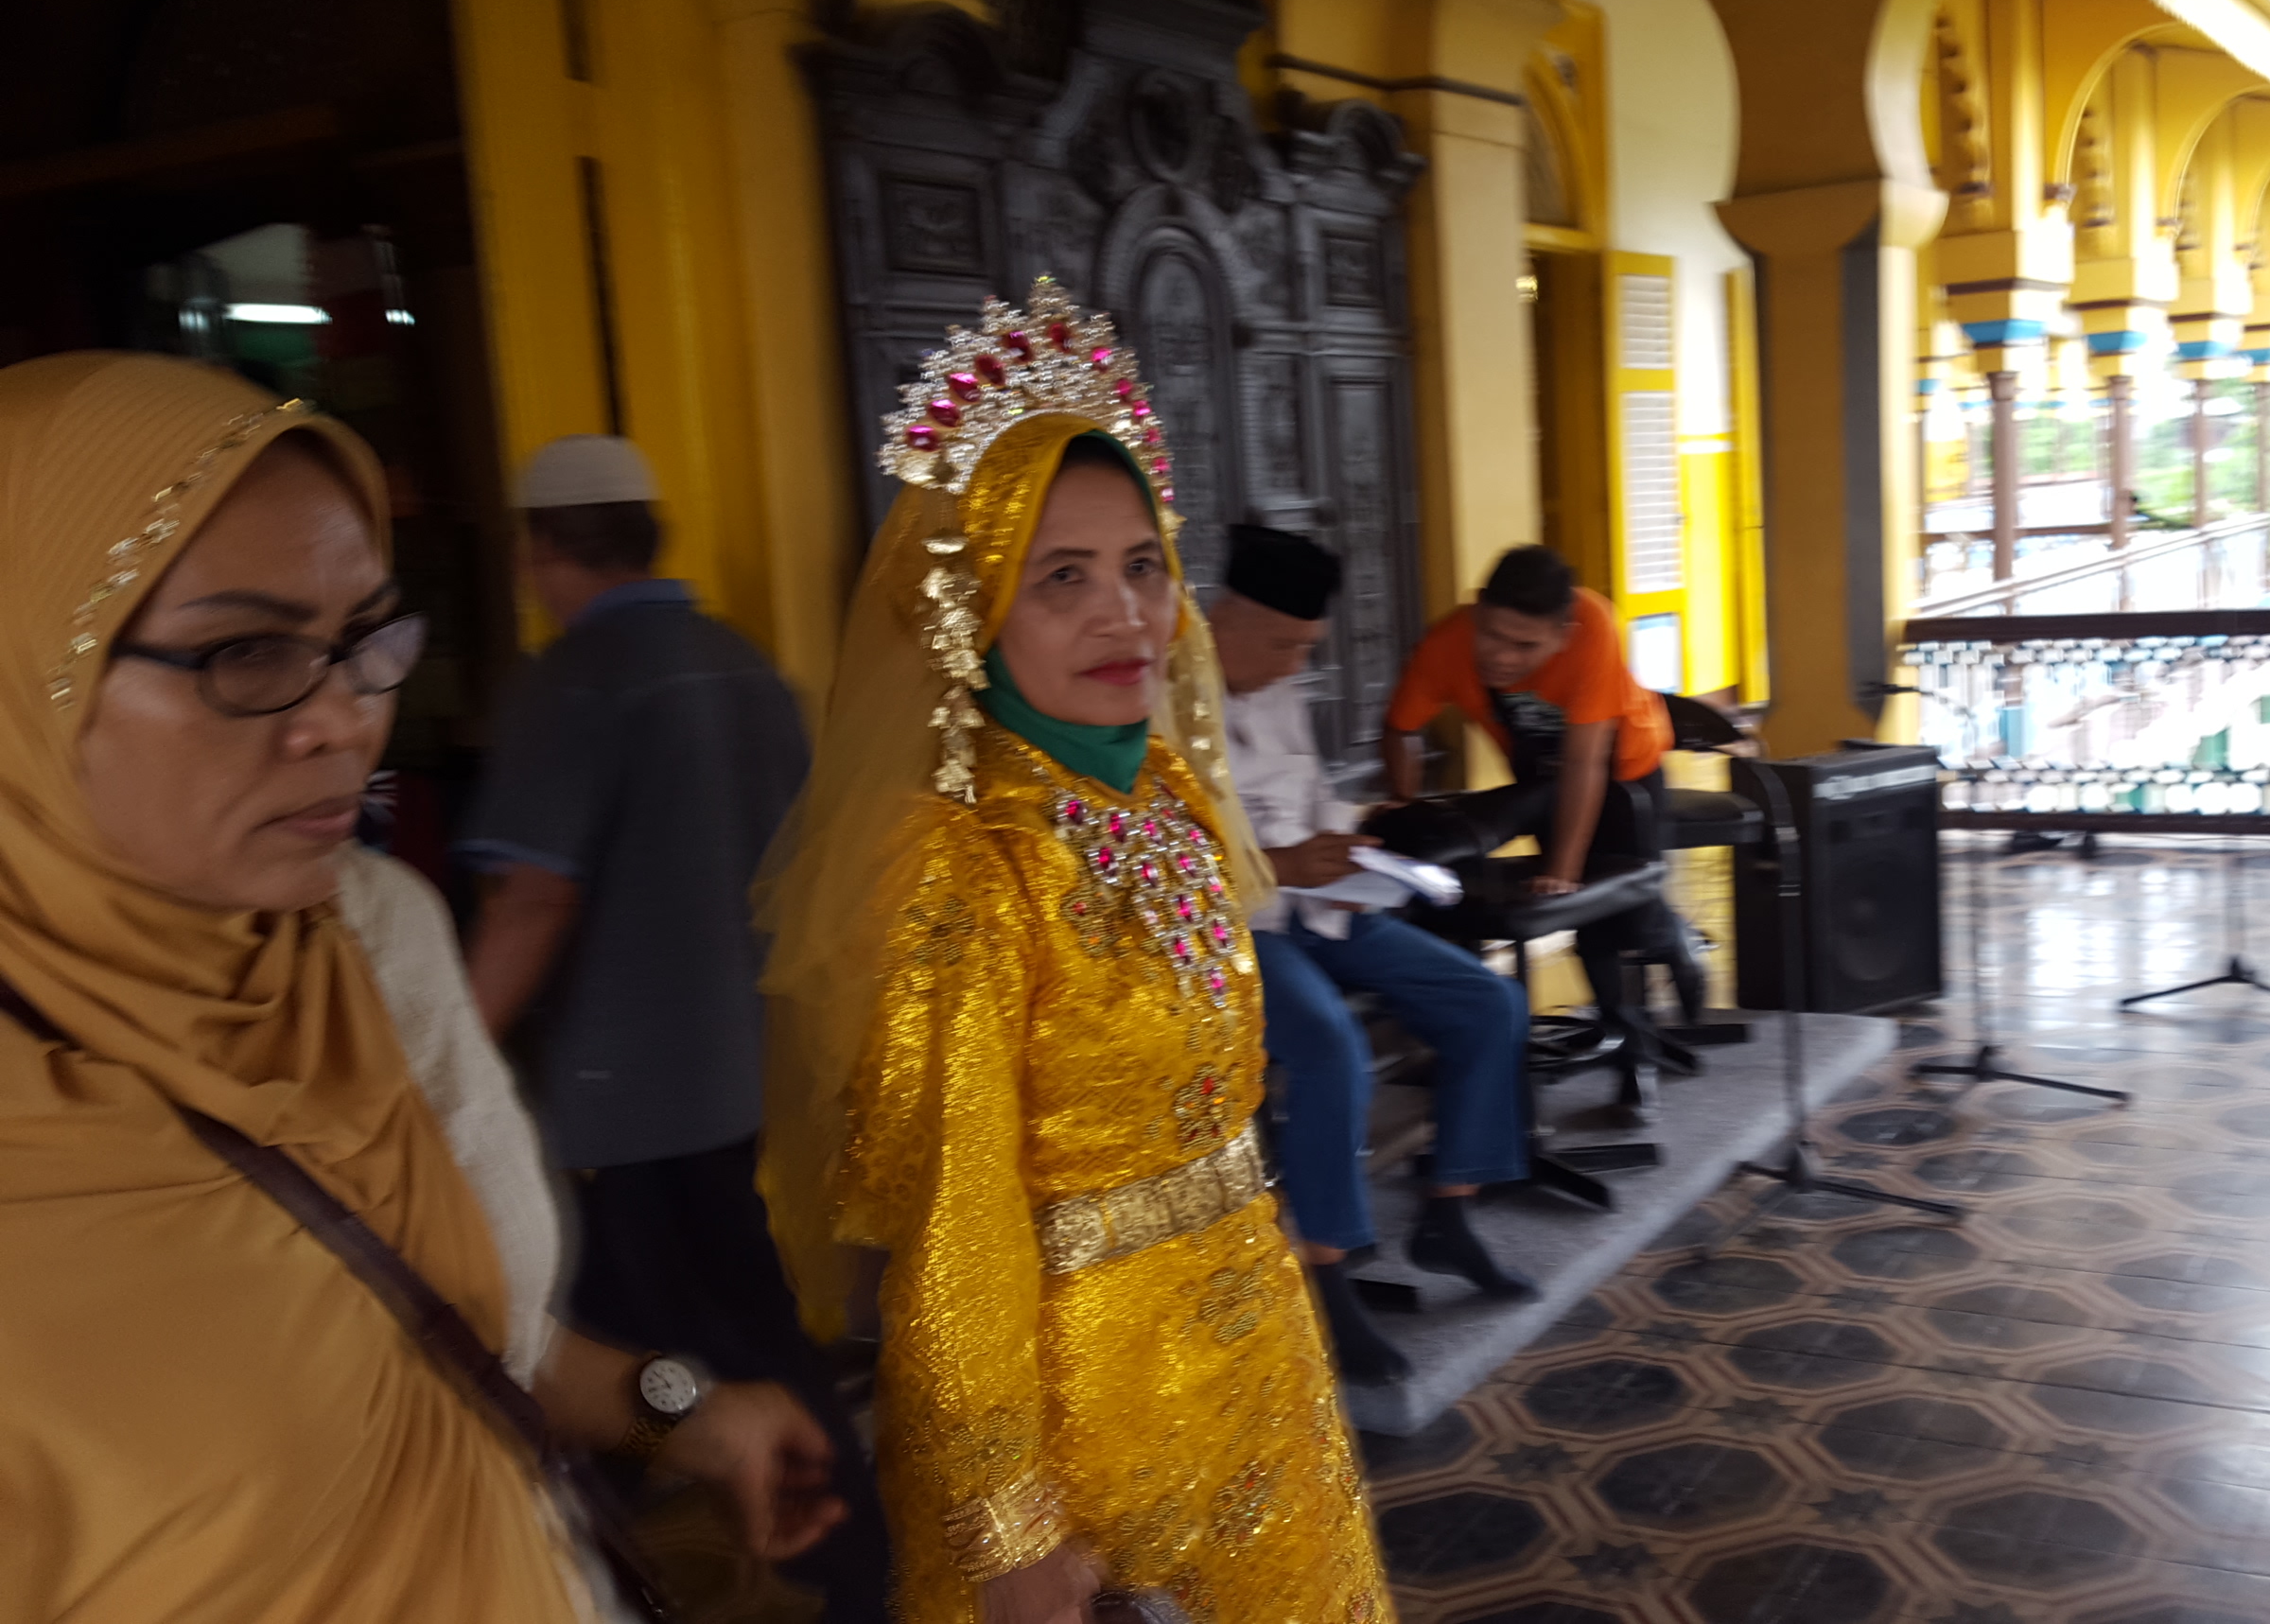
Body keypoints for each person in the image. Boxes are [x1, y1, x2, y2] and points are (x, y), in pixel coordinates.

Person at [0, 353, 839, 1623]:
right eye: (244, 652)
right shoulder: (726, 660)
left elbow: (474, 1328)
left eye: (366, 641)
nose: (345, 718)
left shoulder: (371, 934)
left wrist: (680, 1412)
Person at [757, 294, 1391, 1624]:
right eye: (1062, 578)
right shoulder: (960, 869)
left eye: (1143, 565)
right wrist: (1008, 1524)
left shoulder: (1160, 792)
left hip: (1255, 1363)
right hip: (1085, 1431)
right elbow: (955, 1223)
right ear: (971, 614)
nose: (1126, 615)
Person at [457, 436, 885, 1620]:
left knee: (690, 1344)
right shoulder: (745, 666)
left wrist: (439, 1056)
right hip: (747, 1073)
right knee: (634, 1347)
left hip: (626, 1101)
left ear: (541, 552)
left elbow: (532, 902)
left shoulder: (575, 680)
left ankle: (851, 1575)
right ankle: (622, 1557)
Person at [1207, 525, 1534, 1387]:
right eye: (1282, 644)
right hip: (1236, 926)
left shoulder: (1278, 684)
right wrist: (1281, 865)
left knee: (1488, 1003)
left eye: (1305, 647)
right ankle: (1325, 1275)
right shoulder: (1163, 700)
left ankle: (1448, 1213)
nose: (1295, 664)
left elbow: (1312, 790)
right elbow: (1160, 854)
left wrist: (1352, 848)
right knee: (1329, 1049)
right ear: (1225, 617)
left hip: (1322, 904)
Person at [1379, 544, 1689, 1108]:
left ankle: (1678, 940)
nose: (1501, 657)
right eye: (1492, 635)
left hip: (1628, 773)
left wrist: (1563, 871)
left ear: (1563, 633)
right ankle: (1631, 1051)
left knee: (1633, 917)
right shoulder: (1448, 643)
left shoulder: (1593, 623)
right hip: (1546, 782)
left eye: (1525, 646)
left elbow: (1586, 762)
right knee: (1593, 926)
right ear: (1478, 610)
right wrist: (1403, 801)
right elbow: (1401, 727)